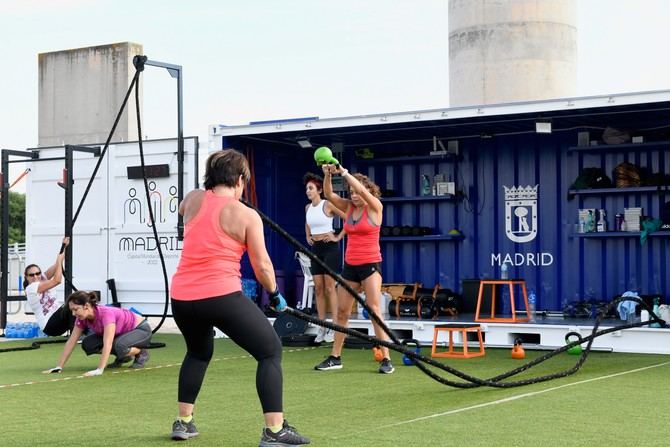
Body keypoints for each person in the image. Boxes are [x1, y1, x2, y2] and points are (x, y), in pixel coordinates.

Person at [169, 149, 310, 445]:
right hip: (220, 295)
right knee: (270, 351)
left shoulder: (194, 198)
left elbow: (183, 209)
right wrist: (275, 294)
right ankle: (274, 431)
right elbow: (262, 266)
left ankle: (183, 422)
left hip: (182, 298)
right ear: (240, 179)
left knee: (198, 353)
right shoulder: (247, 215)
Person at [314, 163, 395, 374]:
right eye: (351, 192)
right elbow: (329, 194)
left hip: (370, 265)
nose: (354, 195)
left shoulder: (375, 207)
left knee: (374, 310)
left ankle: (386, 359)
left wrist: (344, 172)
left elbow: (360, 189)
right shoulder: (349, 207)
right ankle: (335, 357)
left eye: (358, 192)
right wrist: (328, 175)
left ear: (369, 192)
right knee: (341, 312)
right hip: (350, 265)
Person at [42, 290, 152, 376]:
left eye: (75, 309)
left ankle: (140, 352)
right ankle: (124, 356)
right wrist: (59, 366)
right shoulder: (81, 318)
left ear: (86, 306)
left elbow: (108, 342)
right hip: (120, 334)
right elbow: (71, 341)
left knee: (118, 345)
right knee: (88, 344)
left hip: (140, 330)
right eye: (72, 310)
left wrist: (100, 369)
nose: (73, 313)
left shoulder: (105, 314)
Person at [303, 172, 346, 343]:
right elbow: (307, 223)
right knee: (319, 289)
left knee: (330, 288)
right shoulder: (307, 208)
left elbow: (348, 219)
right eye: (307, 189)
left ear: (319, 190)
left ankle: (335, 328)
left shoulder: (327, 204)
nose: (308, 191)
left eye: (311, 188)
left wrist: (337, 236)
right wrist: (308, 236)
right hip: (316, 249)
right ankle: (322, 327)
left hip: (330, 248)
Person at [24, 236, 75, 336]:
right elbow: (57, 280)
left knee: (79, 305)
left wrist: (64, 246)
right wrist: (59, 261)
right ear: (26, 277)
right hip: (50, 324)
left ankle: (86, 332)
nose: (35, 276)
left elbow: (57, 265)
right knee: (72, 304)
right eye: (31, 275)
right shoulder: (31, 288)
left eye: (38, 273)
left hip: (58, 318)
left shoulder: (42, 279)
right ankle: (76, 336)